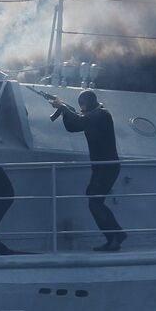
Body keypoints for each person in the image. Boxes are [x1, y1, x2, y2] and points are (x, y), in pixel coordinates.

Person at [52, 90, 126, 251]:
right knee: (94, 201)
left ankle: (116, 235)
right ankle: (114, 236)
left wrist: (63, 107)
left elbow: (80, 120)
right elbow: (72, 127)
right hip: (101, 167)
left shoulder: (102, 115)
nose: (82, 108)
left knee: (95, 202)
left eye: (82, 105)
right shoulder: (93, 116)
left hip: (108, 166)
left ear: (90, 103)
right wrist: (64, 109)